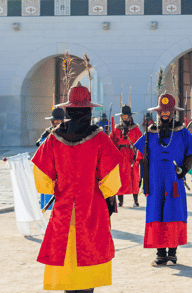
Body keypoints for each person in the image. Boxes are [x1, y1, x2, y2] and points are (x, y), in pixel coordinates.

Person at [32, 83, 123, 292]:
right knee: (88, 251)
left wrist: (56, 187)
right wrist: (107, 194)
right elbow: (111, 178)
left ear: (68, 110)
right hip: (91, 206)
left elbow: (41, 175)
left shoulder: (54, 137)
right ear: (88, 110)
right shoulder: (99, 137)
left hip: (64, 207)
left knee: (67, 254)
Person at [134, 94, 192, 266]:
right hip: (155, 182)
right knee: (156, 214)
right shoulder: (150, 133)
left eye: (167, 111)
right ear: (158, 112)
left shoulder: (182, 131)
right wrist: (143, 181)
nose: (165, 114)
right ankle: (160, 253)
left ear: (173, 113)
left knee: (173, 213)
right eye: (162, 111)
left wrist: (184, 169)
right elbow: (141, 157)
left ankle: (173, 253)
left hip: (173, 181)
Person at [36, 107, 68, 211]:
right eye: (55, 121)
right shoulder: (48, 131)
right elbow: (39, 142)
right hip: (50, 166)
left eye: (59, 121)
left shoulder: (68, 131)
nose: (57, 123)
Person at [111, 105, 143, 207]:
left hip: (131, 155)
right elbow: (111, 141)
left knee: (134, 177)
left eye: (126, 116)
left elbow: (141, 141)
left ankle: (136, 200)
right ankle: (120, 201)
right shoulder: (117, 129)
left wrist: (139, 153)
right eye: (123, 116)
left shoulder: (135, 129)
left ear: (130, 116)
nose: (125, 118)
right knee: (120, 177)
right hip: (121, 155)